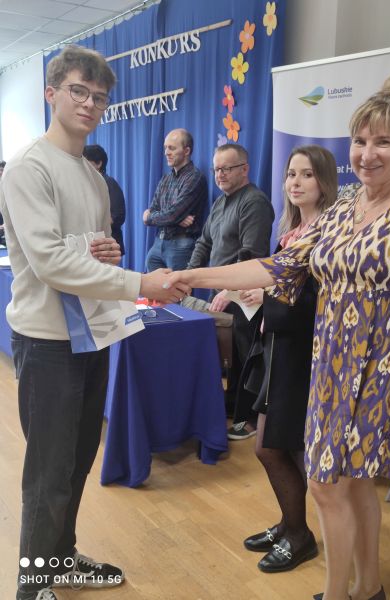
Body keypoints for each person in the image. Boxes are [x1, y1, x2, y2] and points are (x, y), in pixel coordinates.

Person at [166, 76, 390, 600]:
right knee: (353, 484)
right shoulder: (343, 207)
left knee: (327, 485)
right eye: (360, 141)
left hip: (382, 373)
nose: (367, 154)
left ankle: (338, 594)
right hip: (329, 366)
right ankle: (369, 589)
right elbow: (277, 267)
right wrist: (191, 276)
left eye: (383, 142)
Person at [0, 45, 190, 600]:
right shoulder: (28, 167)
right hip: (47, 342)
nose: (89, 104)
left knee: (79, 460)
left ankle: (60, 559)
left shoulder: (91, 175)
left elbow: (92, 249)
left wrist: (106, 251)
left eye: (99, 97)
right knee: (48, 473)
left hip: (93, 334)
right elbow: (50, 262)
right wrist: (139, 281)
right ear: (51, 93)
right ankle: (33, 585)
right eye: (78, 91)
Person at [240, 145, 337, 573]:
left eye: (307, 175)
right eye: (291, 174)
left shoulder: (326, 234)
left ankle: (299, 534)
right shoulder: (291, 229)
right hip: (278, 349)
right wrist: (264, 291)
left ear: (325, 182)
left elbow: (312, 302)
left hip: (301, 356)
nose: (295, 182)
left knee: (274, 449)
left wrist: (268, 291)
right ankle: (289, 524)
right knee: (273, 447)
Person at [187, 143, 274, 437]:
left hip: (244, 296)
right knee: (229, 358)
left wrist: (229, 290)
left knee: (245, 358)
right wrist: (187, 277)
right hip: (222, 292)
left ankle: (248, 420)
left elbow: (251, 254)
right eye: (217, 169)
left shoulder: (254, 202)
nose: (220, 174)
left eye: (227, 168)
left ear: (245, 169)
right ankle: (232, 405)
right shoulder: (220, 202)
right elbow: (204, 243)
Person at [143, 128, 207, 271]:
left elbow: (172, 214)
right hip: (159, 242)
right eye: (165, 148)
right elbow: (154, 208)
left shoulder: (195, 177)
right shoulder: (165, 178)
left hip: (181, 244)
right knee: (152, 282)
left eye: (171, 148)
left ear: (187, 151)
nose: (166, 152)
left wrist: (149, 218)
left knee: (179, 285)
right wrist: (178, 219)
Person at [83, 144, 126, 255]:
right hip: (91, 243)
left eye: (86, 162)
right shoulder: (86, 185)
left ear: (99, 164)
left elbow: (118, 216)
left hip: (108, 243)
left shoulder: (109, 183)